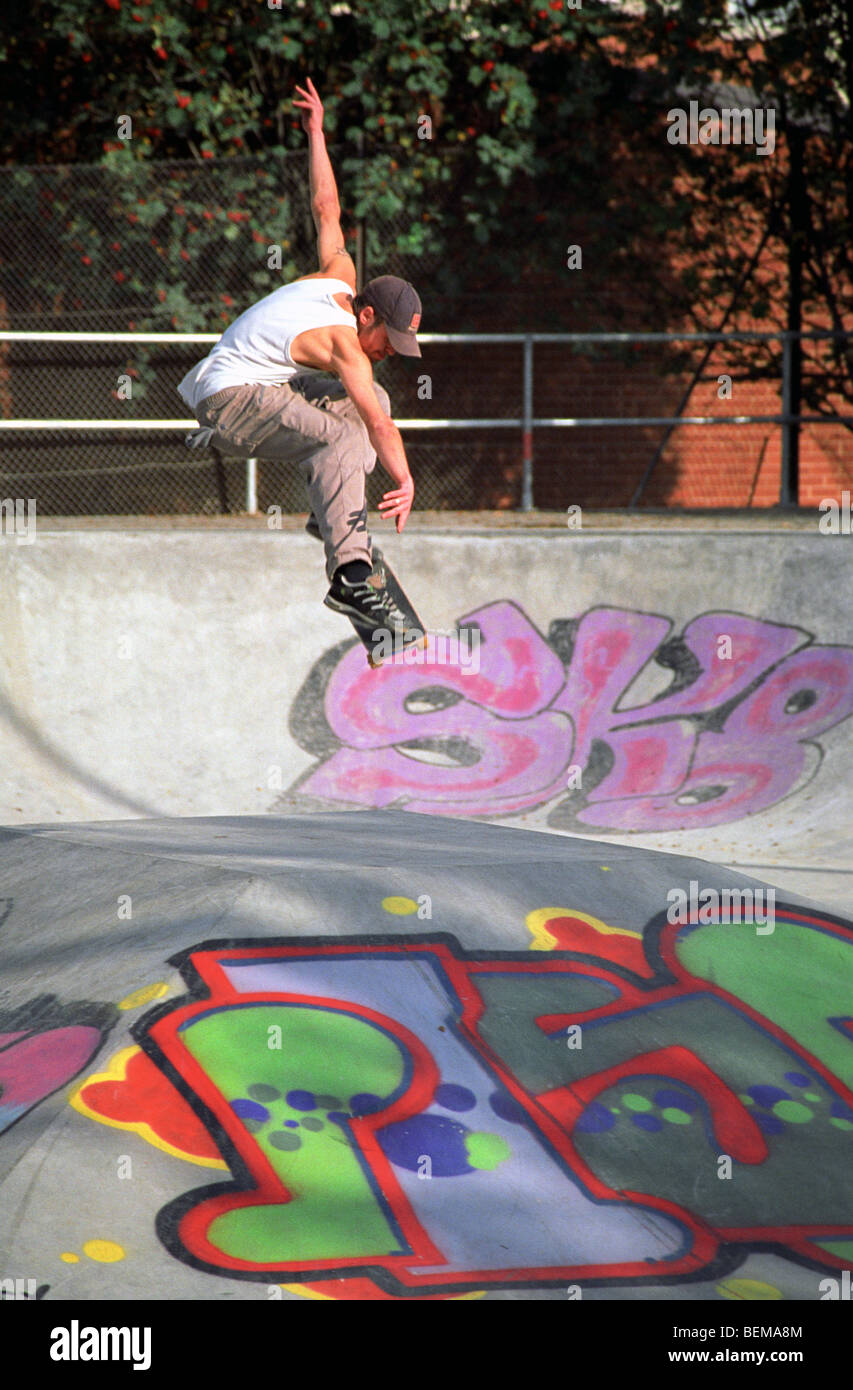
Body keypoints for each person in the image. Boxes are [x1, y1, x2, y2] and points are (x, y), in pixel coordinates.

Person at [177, 77, 422, 645]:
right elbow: (382, 431)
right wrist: (406, 479)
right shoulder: (343, 342)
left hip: (258, 390)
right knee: (349, 431)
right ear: (366, 318)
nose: (389, 353)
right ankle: (350, 577)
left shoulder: (340, 276)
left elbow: (325, 206)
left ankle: (328, 517)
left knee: (372, 402)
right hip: (227, 402)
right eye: (389, 341)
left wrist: (316, 133)